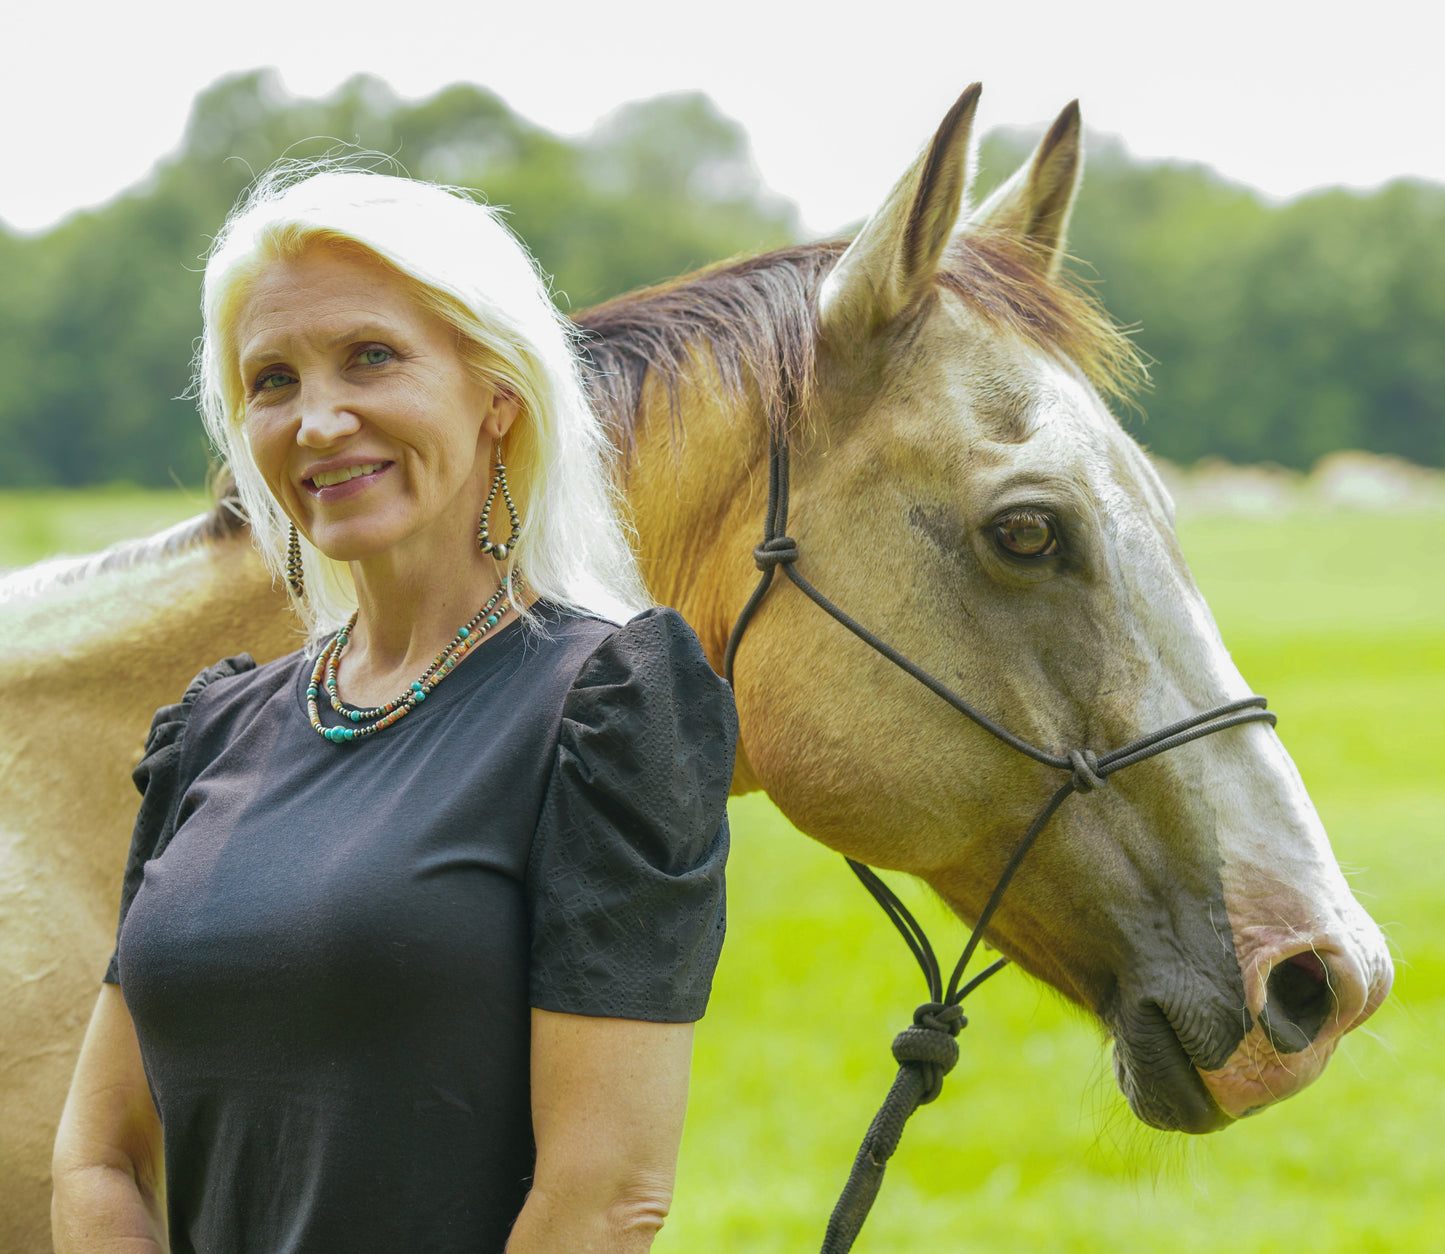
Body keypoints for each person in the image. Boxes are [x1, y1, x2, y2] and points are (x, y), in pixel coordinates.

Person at [50, 166, 737, 1254]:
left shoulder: (603, 712)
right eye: (271, 380)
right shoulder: (214, 733)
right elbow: (98, 1157)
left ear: (496, 391)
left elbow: (604, 1199)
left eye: (371, 356)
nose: (318, 420)